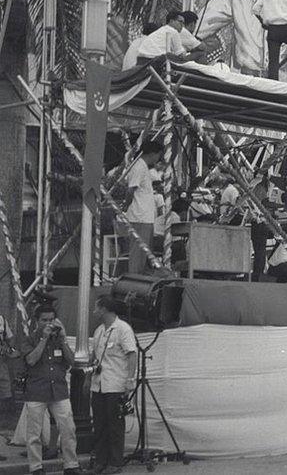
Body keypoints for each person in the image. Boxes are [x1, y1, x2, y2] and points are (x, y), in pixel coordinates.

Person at [23, 305, 83, 475]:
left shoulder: (59, 339)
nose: (48, 323)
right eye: (44, 320)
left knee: (68, 428)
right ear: (37, 321)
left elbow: (72, 361)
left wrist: (63, 339)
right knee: (34, 433)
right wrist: (43, 338)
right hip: (36, 390)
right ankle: (36, 467)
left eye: (51, 320)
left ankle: (71, 465)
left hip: (59, 390)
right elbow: (31, 360)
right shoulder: (29, 338)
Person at [90, 296, 137, 475]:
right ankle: (100, 461)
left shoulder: (123, 329)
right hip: (99, 384)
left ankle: (115, 462)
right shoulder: (99, 330)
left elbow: (131, 354)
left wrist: (130, 380)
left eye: (96, 308)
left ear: (104, 309)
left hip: (116, 384)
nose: (94, 311)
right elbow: (95, 355)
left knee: (115, 425)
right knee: (100, 424)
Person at [123, 141, 163, 274]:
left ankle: (141, 279)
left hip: (146, 217)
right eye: (158, 155)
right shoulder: (138, 166)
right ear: (153, 154)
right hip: (139, 217)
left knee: (146, 254)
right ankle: (134, 279)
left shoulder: (144, 167)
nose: (158, 159)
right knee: (138, 253)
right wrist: (125, 206)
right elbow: (130, 190)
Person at [121, 10, 186, 69]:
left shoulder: (137, 41)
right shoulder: (172, 31)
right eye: (180, 22)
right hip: (143, 67)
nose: (182, 25)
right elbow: (180, 55)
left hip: (131, 70)